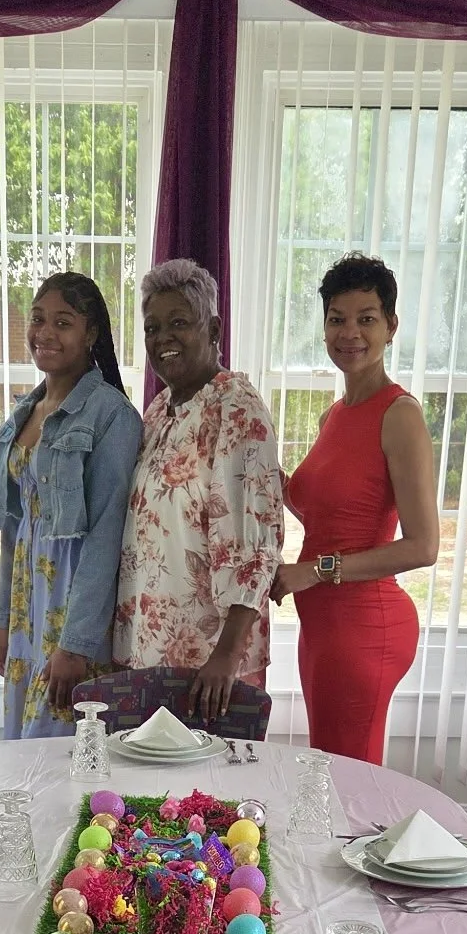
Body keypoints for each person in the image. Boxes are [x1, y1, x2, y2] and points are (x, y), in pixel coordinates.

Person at [275, 253, 440, 764]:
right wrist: (258, 469)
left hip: (364, 626)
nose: (351, 333)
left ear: (391, 326)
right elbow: (327, 514)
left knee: (348, 784)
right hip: (323, 626)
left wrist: (317, 571)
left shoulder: (399, 414)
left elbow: (423, 546)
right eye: (337, 319)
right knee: (328, 773)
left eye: (366, 319)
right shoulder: (335, 415)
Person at [112, 259, 283, 727]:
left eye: (179, 323)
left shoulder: (238, 410)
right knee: (151, 795)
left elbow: (257, 545)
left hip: (209, 664)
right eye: (152, 327)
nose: (163, 337)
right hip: (151, 650)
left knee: (205, 795)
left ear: (213, 329)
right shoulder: (160, 409)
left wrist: (227, 655)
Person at [0, 273, 143, 739]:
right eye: (37, 319)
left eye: (63, 322)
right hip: (26, 614)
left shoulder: (113, 416)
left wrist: (76, 645)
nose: (45, 333)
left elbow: (107, 534)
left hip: (72, 611)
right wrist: (3, 623)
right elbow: (14, 530)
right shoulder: (24, 415)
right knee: (21, 756)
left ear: (90, 334)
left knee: (61, 751)